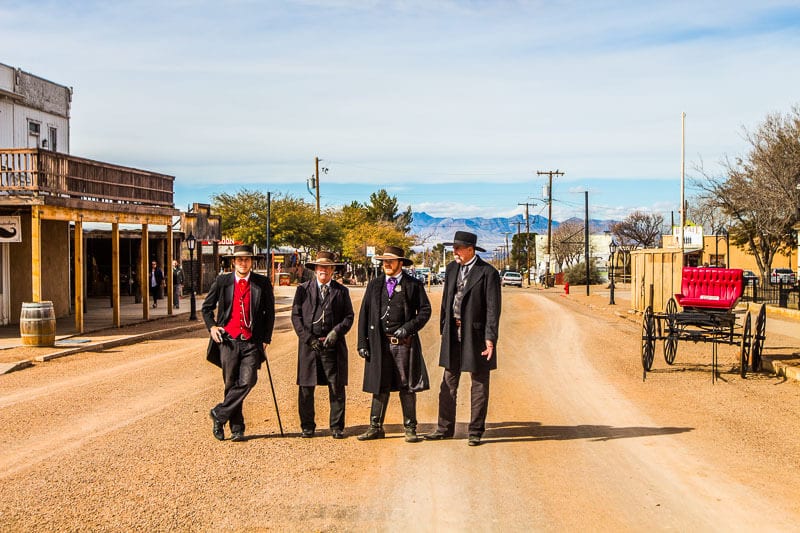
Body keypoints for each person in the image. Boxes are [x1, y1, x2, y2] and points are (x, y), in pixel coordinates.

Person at [425, 231, 501, 446]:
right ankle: (444, 428)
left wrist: (490, 338)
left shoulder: (487, 273)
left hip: (476, 335)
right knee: (448, 381)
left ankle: (475, 430)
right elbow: (446, 301)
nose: (454, 252)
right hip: (453, 332)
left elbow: (493, 310)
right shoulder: (451, 269)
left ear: (470, 250)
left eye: (458, 248)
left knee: (478, 383)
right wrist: (443, 328)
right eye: (454, 248)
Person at [357, 246, 431, 443]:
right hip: (379, 343)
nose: (386, 264)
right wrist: (362, 343)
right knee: (379, 384)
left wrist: (408, 328)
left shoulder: (413, 285)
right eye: (384, 261)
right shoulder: (374, 285)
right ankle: (375, 427)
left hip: (404, 345)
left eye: (390, 261)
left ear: (400, 263)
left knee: (406, 386)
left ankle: (410, 427)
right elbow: (364, 314)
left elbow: (425, 311)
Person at [202, 245, 275, 442]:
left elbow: (270, 313)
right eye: (240, 260)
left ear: (252, 262)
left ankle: (219, 413)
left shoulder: (261, 283)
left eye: (247, 260)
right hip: (228, 341)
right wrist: (212, 327)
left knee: (248, 380)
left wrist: (266, 339)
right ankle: (236, 428)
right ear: (234, 261)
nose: (243, 263)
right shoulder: (222, 281)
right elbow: (207, 308)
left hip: (251, 341)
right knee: (231, 383)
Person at [291, 251, 354, 439]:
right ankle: (307, 426)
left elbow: (349, 316)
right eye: (320, 267)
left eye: (327, 267)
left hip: (332, 346)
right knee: (306, 387)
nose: (323, 271)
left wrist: (337, 332)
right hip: (309, 345)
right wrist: (307, 338)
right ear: (315, 269)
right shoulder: (303, 289)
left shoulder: (341, 291)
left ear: (333, 270)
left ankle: (336, 426)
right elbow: (296, 316)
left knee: (336, 386)